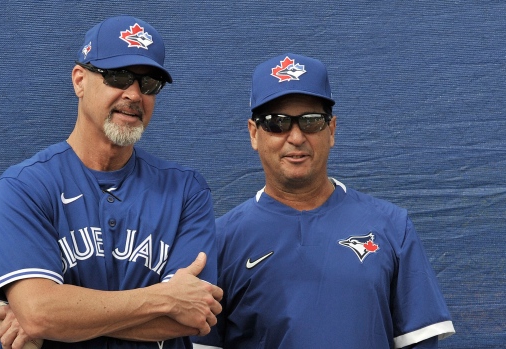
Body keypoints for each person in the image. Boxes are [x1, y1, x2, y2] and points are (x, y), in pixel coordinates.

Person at [0, 15, 222, 349]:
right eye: (118, 76)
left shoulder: (186, 191)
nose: (134, 94)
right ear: (79, 80)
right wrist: (166, 297)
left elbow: (193, 315)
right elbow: (40, 313)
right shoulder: (24, 187)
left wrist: (58, 318)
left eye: (148, 83)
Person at [191, 53, 455, 348]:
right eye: (277, 123)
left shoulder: (392, 226)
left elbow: (417, 342)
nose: (295, 137)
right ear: (254, 134)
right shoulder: (220, 241)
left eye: (311, 121)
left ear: (331, 130)